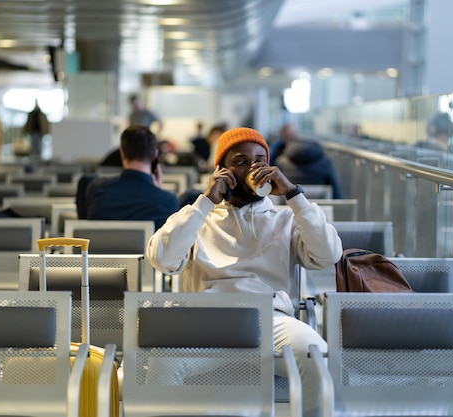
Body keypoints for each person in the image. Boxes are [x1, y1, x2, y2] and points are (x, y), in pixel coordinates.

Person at [146, 127, 343, 416]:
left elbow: (329, 255)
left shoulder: (286, 218)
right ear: (221, 171)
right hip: (208, 319)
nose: (252, 168)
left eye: (260, 160)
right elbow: (161, 258)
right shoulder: (199, 217)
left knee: (318, 355)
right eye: (240, 161)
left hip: (270, 319)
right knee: (161, 365)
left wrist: (293, 195)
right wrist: (205, 202)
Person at [77, 124, 179, 230]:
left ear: (122, 153)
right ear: (154, 155)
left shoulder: (97, 189)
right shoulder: (169, 202)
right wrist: (157, 192)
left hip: (99, 247)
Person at [274, 139, 343, 199]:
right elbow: (336, 193)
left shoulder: (281, 161)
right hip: (320, 209)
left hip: (287, 207)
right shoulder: (326, 163)